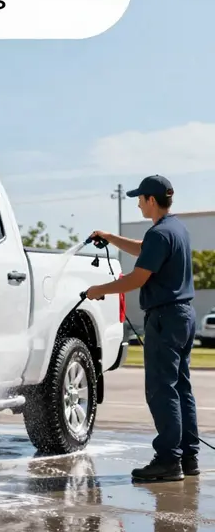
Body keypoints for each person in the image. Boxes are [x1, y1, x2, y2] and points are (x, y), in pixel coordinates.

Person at [85, 174, 199, 483]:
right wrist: (110, 237)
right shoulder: (174, 229)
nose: (137, 203)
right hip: (183, 316)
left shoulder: (160, 234)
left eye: (140, 198)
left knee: (162, 390)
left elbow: (137, 279)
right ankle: (188, 457)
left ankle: (167, 461)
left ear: (151, 200)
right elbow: (143, 248)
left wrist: (100, 289)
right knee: (180, 387)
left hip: (164, 318)